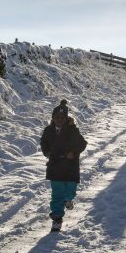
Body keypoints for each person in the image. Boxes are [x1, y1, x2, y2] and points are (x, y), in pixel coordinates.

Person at [40, 99, 88, 232]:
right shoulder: (48, 130)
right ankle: (57, 218)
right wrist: (47, 152)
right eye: (56, 117)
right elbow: (43, 143)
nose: (59, 120)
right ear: (52, 118)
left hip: (70, 166)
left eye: (62, 117)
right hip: (55, 166)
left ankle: (68, 200)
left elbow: (82, 143)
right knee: (57, 193)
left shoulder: (72, 130)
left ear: (67, 118)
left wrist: (73, 152)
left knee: (70, 188)